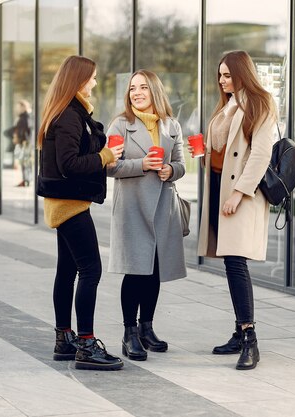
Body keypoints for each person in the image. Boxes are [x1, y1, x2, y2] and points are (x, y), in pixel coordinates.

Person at [189, 50, 276, 370]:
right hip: (219, 189)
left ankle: (250, 338)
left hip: (241, 195)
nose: (223, 81)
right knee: (229, 261)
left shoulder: (260, 102)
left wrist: (239, 194)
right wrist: (202, 151)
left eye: (228, 75)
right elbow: (222, 152)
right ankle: (240, 334)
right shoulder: (225, 107)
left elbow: (261, 154)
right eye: (220, 75)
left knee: (236, 261)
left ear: (243, 74)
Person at [36, 55, 124, 371]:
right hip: (70, 203)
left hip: (64, 201)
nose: (96, 83)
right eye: (94, 78)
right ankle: (86, 343)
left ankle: (64, 338)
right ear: (80, 80)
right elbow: (69, 165)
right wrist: (105, 156)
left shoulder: (67, 112)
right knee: (91, 269)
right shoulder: (70, 116)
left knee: (68, 270)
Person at [106, 70, 187, 361]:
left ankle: (146, 328)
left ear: (154, 91)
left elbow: (180, 163)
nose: (136, 93)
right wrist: (143, 164)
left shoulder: (171, 125)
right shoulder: (120, 125)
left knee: (154, 270)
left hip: (162, 205)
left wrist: (170, 170)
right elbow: (109, 167)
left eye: (142, 87)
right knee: (135, 270)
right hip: (132, 207)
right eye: (132, 89)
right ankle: (129, 333)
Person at [5, 100, 32, 186]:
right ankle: (26, 180)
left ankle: (26, 180)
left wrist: (21, 139)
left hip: (24, 142)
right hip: (25, 142)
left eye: (19, 107)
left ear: (24, 107)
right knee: (25, 161)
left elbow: (24, 130)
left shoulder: (25, 117)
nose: (17, 109)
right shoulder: (24, 117)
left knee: (25, 161)